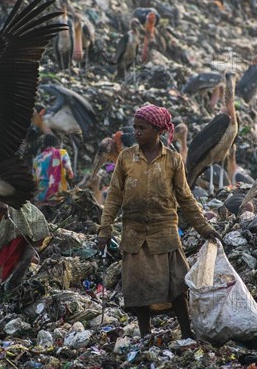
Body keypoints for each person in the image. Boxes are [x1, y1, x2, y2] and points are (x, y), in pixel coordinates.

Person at [97, 104, 218, 340]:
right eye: (135, 127)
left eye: (142, 128)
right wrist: (105, 230)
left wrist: (205, 229)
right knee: (138, 289)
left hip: (165, 233)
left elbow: (185, 198)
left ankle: (186, 333)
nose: (137, 132)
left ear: (158, 130)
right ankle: (145, 336)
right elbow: (113, 197)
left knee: (177, 287)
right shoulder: (126, 158)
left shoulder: (172, 160)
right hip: (134, 234)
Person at [32, 133, 74, 202]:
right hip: (59, 194)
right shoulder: (62, 153)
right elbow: (70, 172)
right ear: (56, 143)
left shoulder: (37, 160)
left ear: (44, 144)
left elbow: (35, 180)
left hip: (42, 195)